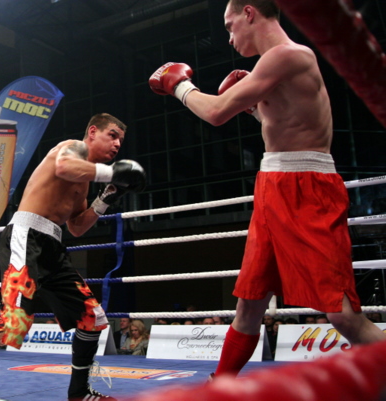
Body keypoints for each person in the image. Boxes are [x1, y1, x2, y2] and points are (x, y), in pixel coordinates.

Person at [148, 0, 386, 379]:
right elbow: (287, 124)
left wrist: (180, 86)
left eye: (229, 26)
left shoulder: (288, 55)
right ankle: (221, 387)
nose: (229, 38)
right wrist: (257, 110)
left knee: (342, 315)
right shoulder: (274, 66)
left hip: (306, 189)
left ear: (249, 13)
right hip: (272, 186)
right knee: (250, 304)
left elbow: (216, 112)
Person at [0, 113, 145, 401]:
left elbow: (76, 227)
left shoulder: (85, 181)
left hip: (53, 249)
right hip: (26, 237)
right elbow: (64, 166)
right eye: (113, 135)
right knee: (13, 324)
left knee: (92, 317)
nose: (118, 144)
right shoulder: (72, 148)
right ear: (93, 131)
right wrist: (111, 174)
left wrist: (105, 198)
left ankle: (79, 392)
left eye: (121, 140)